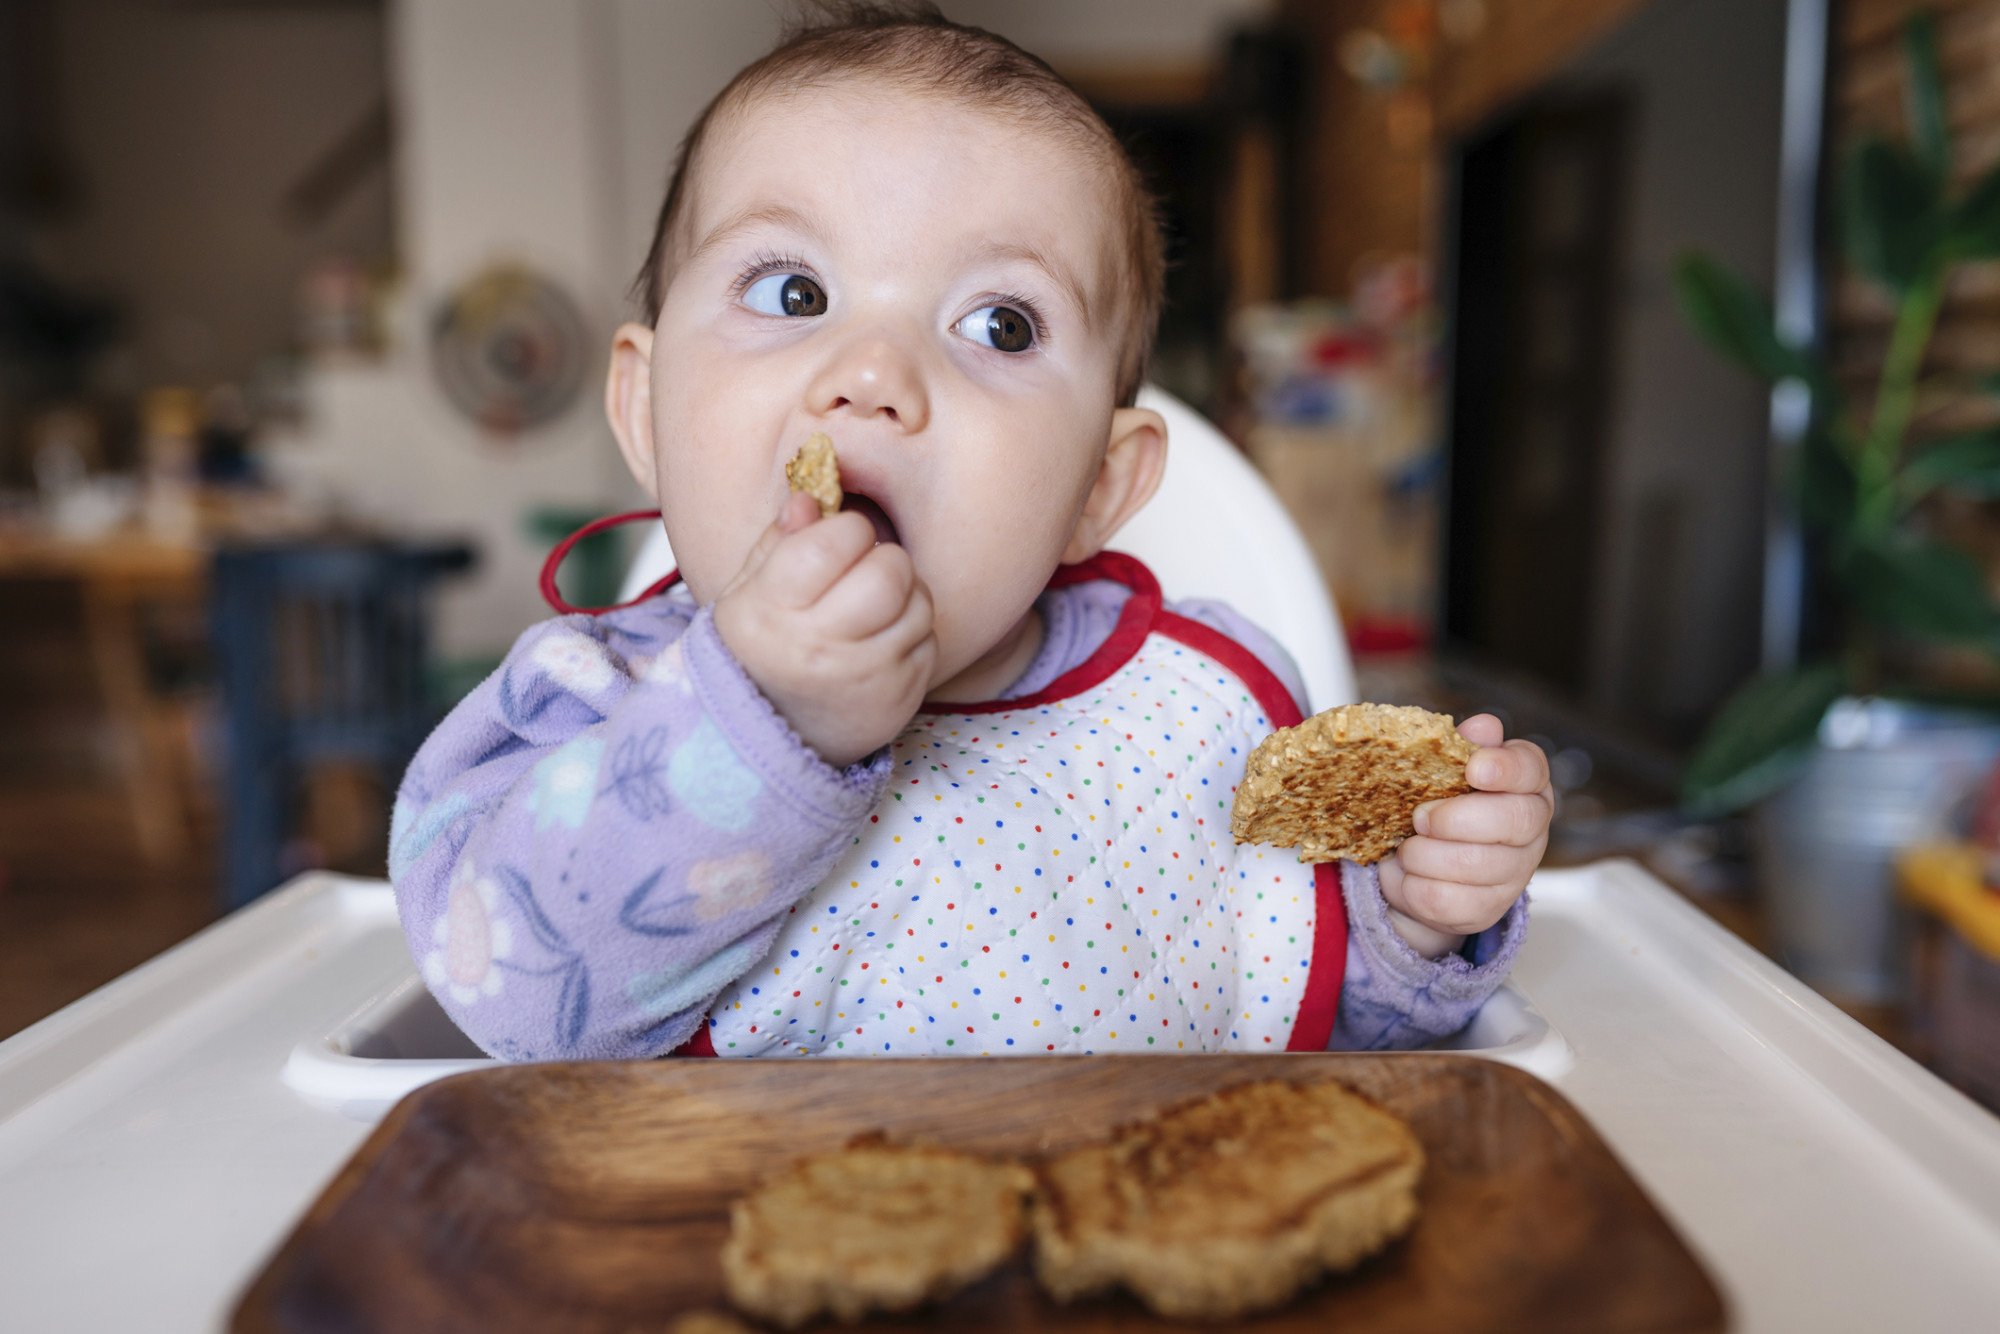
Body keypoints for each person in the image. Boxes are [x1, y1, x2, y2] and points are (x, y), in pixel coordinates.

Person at [389, 2, 1552, 1062]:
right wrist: (759, 725)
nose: (872, 374)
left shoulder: (1203, 715)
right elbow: (513, 1003)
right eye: (792, 292)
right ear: (645, 409)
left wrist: (1414, 917)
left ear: (1099, 483)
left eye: (997, 323)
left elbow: (1300, 1016)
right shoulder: (591, 702)